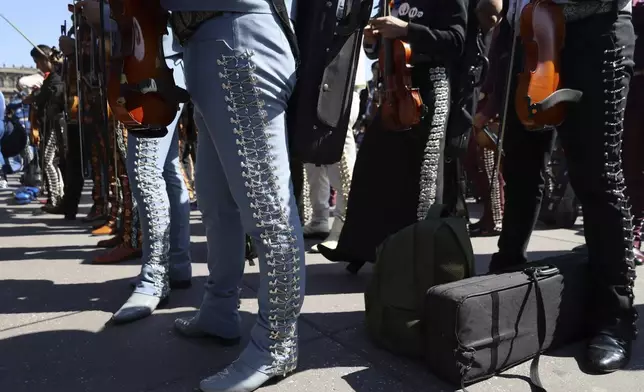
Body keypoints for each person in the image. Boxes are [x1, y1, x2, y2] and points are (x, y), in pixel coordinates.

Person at [81, 1, 305, 391]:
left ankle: (277, 344)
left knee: (267, 210)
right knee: (218, 205)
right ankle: (220, 309)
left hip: (236, 39)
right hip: (207, 45)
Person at [477, 0, 637, 373]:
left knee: (598, 175)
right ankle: (506, 274)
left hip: (594, 28)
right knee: (520, 169)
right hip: (528, 36)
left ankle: (614, 317)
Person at [320, 0, 468, 266]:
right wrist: (371, 41)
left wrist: (407, 29)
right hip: (394, 89)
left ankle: (419, 257)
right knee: (372, 166)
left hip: (429, 90)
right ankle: (360, 247)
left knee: (423, 178)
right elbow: (379, 50)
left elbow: (456, 40)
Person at [23, 45, 66, 212]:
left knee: (48, 162)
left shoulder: (56, 78)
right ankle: (56, 196)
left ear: (45, 60)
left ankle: (56, 199)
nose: (37, 66)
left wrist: (35, 97)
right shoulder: (50, 79)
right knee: (49, 161)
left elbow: (53, 95)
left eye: (37, 62)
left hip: (54, 125)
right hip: (48, 125)